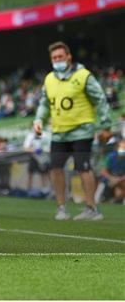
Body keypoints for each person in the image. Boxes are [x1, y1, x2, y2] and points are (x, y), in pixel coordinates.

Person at [33, 41, 111, 220]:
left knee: (83, 167)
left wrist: (106, 125)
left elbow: (100, 99)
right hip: (59, 131)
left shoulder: (83, 75)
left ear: (69, 57)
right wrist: (38, 119)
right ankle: (62, 207)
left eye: (60, 56)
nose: (57, 60)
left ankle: (92, 208)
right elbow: (45, 104)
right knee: (55, 167)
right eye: (54, 58)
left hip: (82, 130)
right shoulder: (49, 79)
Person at [100, 139, 125, 203]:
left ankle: (117, 199)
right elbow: (103, 171)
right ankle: (105, 197)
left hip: (122, 179)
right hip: (111, 178)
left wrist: (120, 179)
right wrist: (111, 178)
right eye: (121, 147)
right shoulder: (111, 156)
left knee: (120, 190)